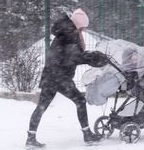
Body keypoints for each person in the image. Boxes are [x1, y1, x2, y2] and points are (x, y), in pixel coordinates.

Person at [26, 9, 108, 148]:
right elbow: (74, 57)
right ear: (78, 24)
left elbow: (70, 54)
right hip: (60, 77)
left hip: (50, 75)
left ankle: (30, 138)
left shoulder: (63, 32)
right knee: (80, 100)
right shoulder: (70, 34)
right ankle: (87, 135)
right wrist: (93, 58)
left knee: (42, 106)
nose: (83, 29)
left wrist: (88, 56)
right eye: (83, 27)